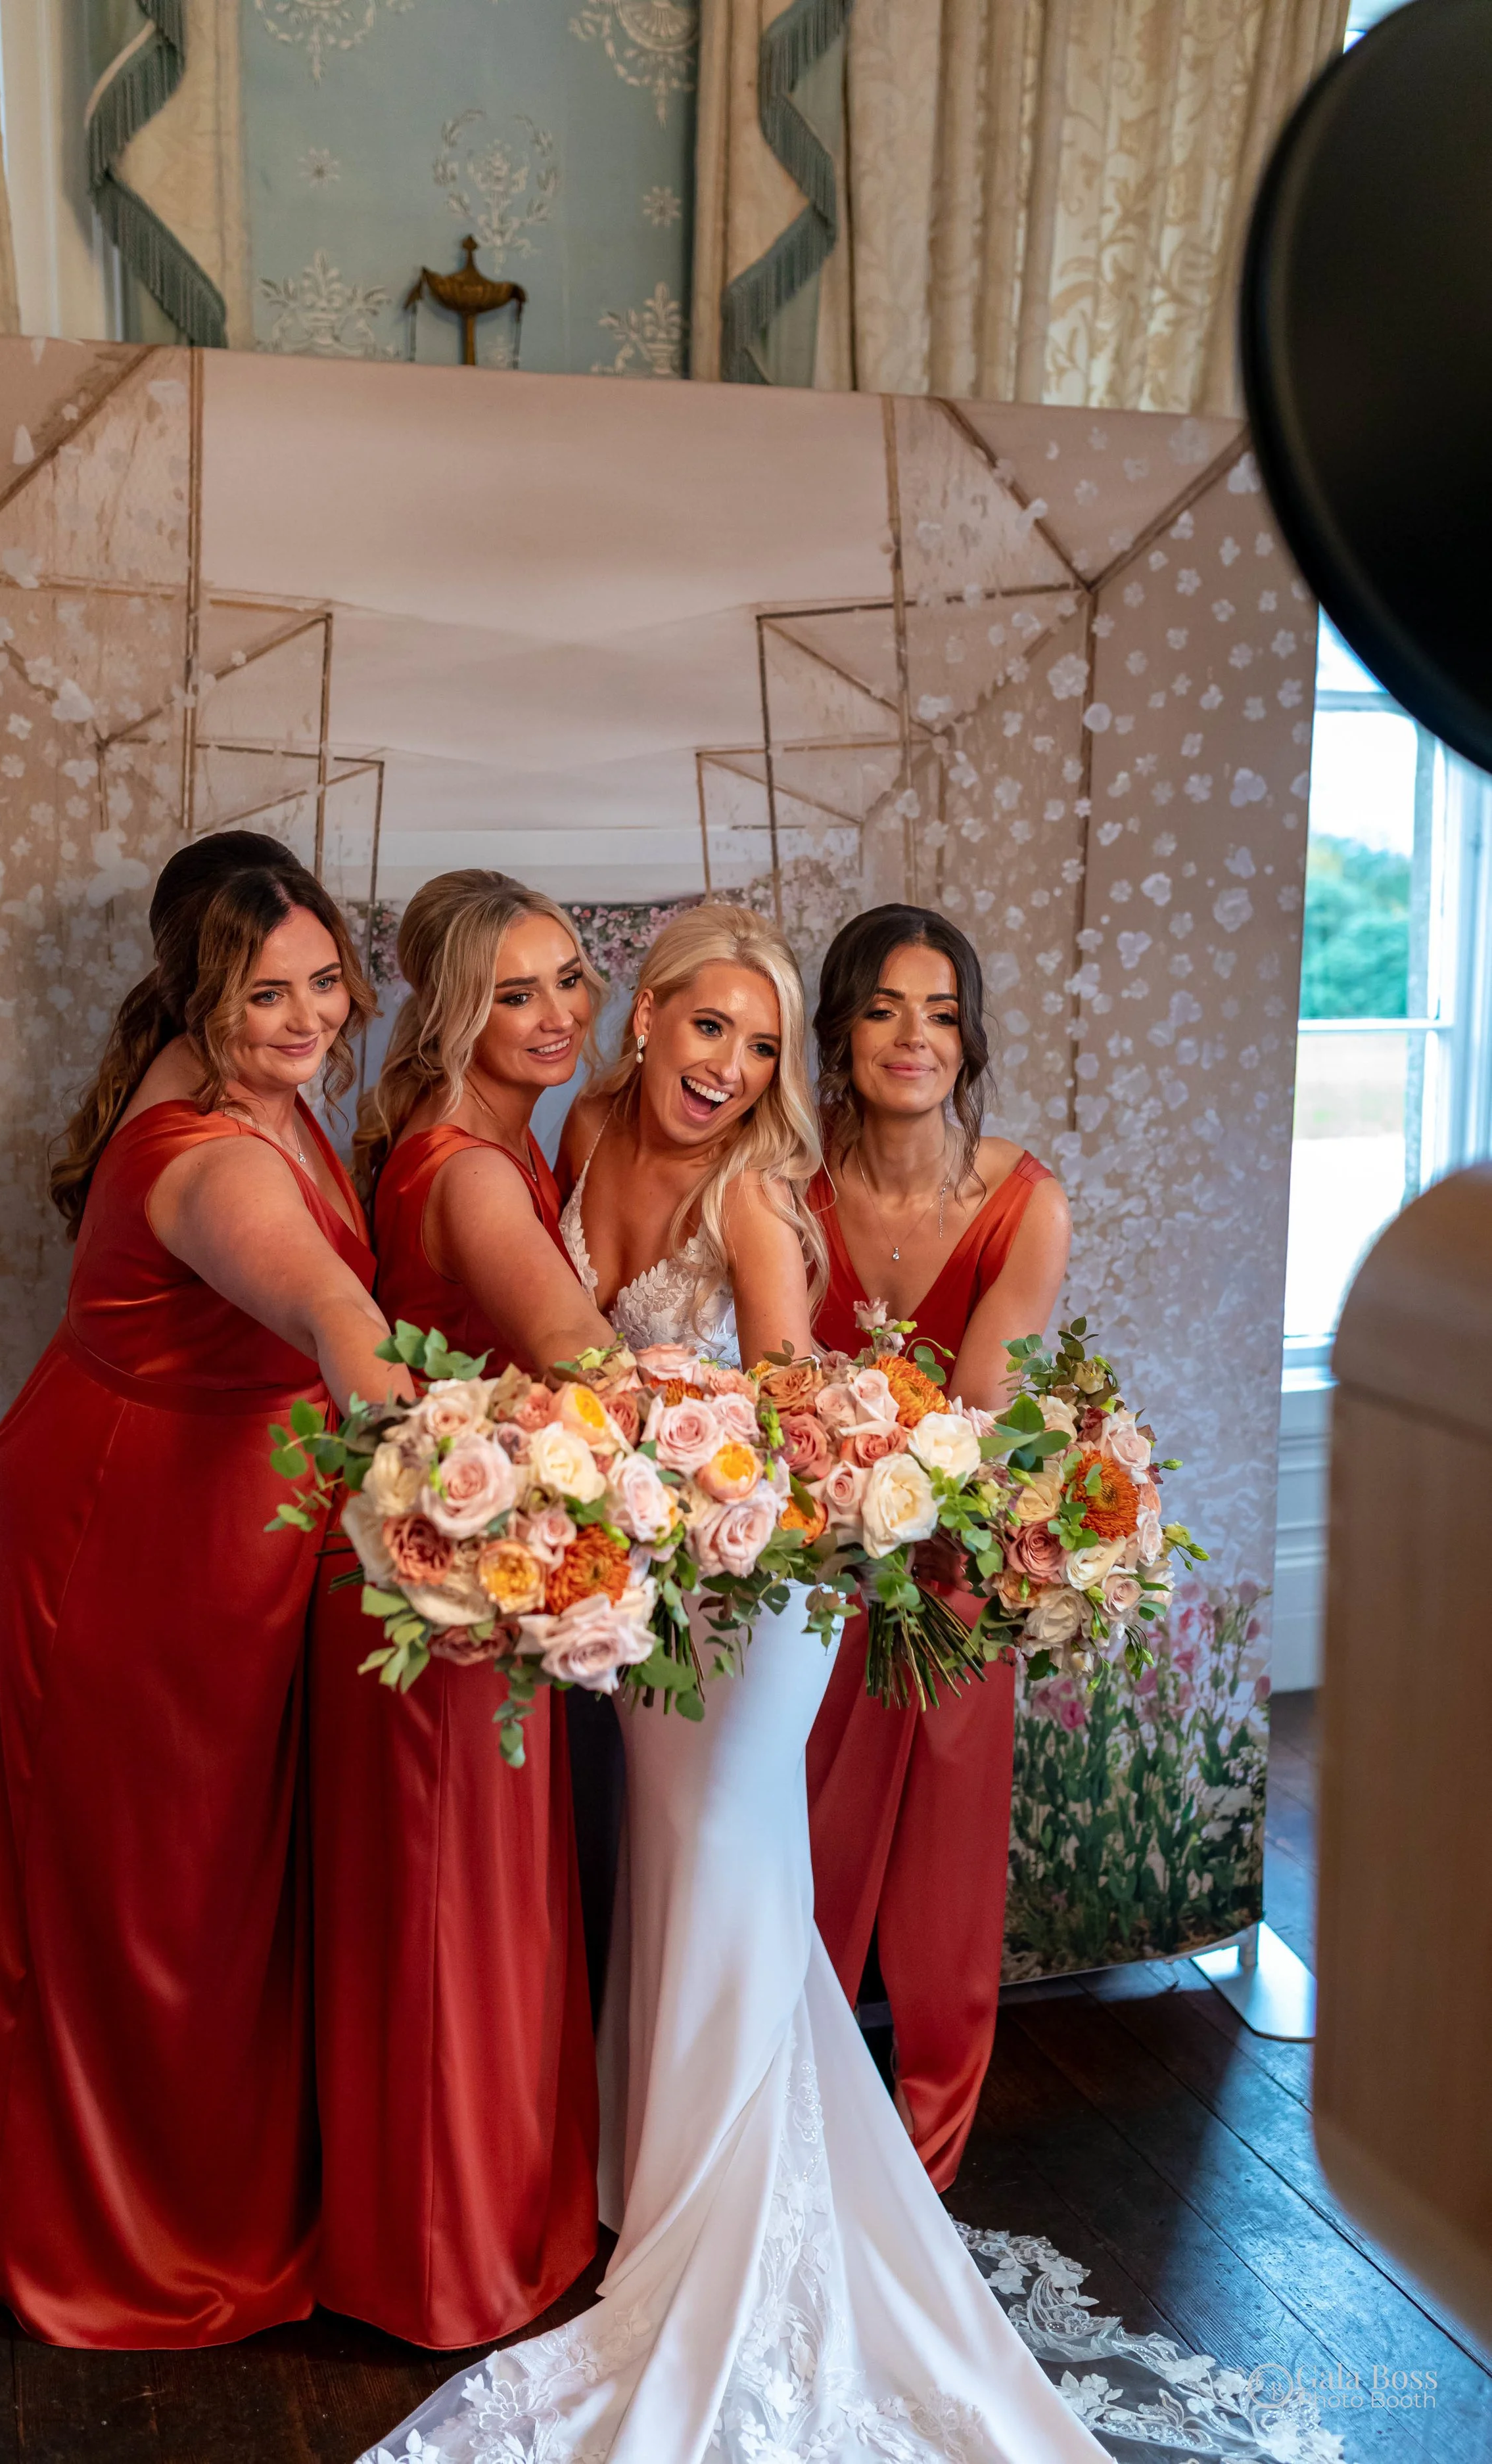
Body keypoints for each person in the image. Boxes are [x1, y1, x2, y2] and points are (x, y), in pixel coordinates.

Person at [360, 903, 1106, 2464]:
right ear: (645, 1018)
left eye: (763, 1045)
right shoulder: (567, 1141)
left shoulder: (758, 1194)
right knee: (675, 1870)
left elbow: (781, 1403)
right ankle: (661, 2185)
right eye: (712, 1028)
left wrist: (663, 1459)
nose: (733, 1065)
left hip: (760, 1589)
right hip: (653, 1584)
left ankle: (720, 2235)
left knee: (723, 1864)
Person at [0, 831, 396, 2348]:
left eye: (326, 981)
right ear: (194, 993)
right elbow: (315, 1293)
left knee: (204, 1905)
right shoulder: (206, 1153)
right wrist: (380, 1382)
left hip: (217, 1536)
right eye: (264, 993)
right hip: (124, 1550)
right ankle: (132, 2245)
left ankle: (199, 2199)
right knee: (150, 1917)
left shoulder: (257, 1089)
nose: (306, 1019)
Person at [310, 869, 618, 2350]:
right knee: (448, 1929)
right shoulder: (474, 1171)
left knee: (462, 1924)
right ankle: (449, 2267)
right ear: (449, 1013)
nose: (556, 1013)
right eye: (513, 993)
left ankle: (474, 2232)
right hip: (436, 1600)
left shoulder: (503, 1143)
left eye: (567, 978)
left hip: (444, 1580)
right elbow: (578, 1357)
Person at [806, 903, 1071, 2189]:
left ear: (969, 1043)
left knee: (944, 1887)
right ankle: (785, 2136)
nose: (912, 1037)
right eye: (881, 1008)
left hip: (950, 1564)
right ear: (838, 1027)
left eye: (942, 1013)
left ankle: (923, 2168)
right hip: (802, 1565)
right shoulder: (780, 1187)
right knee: (797, 1855)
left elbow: (976, 1415)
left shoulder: (1023, 1205)